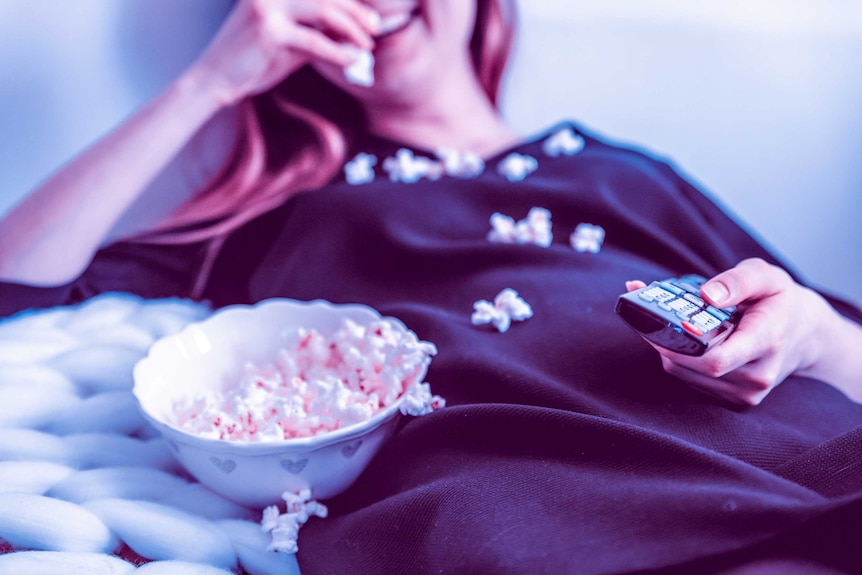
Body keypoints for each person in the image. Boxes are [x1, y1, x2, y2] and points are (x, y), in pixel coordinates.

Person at [1, 1, 862, 573]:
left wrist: (814, 332)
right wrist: (210, 82)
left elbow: (843, 352)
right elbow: (17, 287)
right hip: (547, 508)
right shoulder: (287, 212)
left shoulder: (624, 174)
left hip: (798, 454)